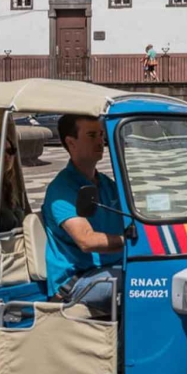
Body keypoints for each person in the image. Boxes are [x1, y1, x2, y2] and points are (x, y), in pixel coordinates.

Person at [42, 114, 125, 312]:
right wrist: (131, 241)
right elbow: (86, 241)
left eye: (101, 134)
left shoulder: (106, 184)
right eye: (91, 135)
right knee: (141, 280)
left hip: (111, 268)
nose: (100, 141)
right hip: (78, 281)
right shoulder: (62, 189)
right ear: (71, 143)